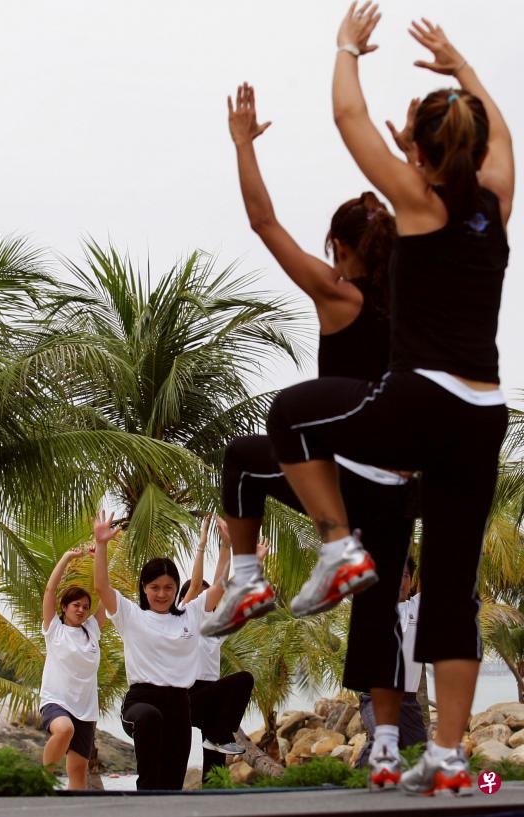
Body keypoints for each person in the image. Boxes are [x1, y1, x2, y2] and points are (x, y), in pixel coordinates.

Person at [266, 6, 512, 796]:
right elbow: (503, 136)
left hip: (425, 401)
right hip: (483, 414)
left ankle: (340, 545)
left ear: (425, 151)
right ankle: (444, 755)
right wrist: (459, 66)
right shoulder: (495, 204)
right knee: (450, 587)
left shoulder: (420, 201)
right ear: (471, 145)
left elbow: (347, 114)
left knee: (290, 417)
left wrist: (347, 45)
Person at [206, 80, 411, 640]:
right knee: (378, 627)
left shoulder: (339, 295)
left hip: (345, 481)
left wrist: (243, 144)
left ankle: (248, 579)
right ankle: (389, 727)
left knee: (242, 460)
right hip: (399, 488)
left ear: (340, 249)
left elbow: (263, 221)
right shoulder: (411, 303)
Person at [93, 511, 226, 791]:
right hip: (141, 702)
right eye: (155, 587)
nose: (162, 594)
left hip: (179, 704)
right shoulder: (131, 615)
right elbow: (101, 587)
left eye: (168, 587)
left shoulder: (190, 614)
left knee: (172, 784)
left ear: (177, 588)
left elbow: (220, 587)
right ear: (144, 588)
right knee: (150, 728)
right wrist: (102, 545)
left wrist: (226, 547)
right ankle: (144, 799)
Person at [179, 517, 257, 780]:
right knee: (243, 679)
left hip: (211, 699)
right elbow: (213, 580)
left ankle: (214, 796)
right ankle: (217, 736)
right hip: (186, 696)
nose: (205, 600)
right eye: (198, 596)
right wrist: (219, 545)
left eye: (206, 597)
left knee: (215, 762)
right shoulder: (180, 620)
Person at [40, 547, 105, 790]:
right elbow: (49, 590)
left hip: (86, 711)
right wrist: (67, 557)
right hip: (56, 701)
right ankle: (43, 781)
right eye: (76, 605)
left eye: (85, 607)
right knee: (64, 729)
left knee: (79, 775)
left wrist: (101, 554)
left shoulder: (92, 630)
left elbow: (105, 591)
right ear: (65, 607)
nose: (81, 610)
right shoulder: (54, 629)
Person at [357, 557, 427, 770]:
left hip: (408, 702)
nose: (401, 581)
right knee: (383, 739)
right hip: (376, 697)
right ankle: (350, 788)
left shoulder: (418, 607)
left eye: (405, 575)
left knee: (420, 762)